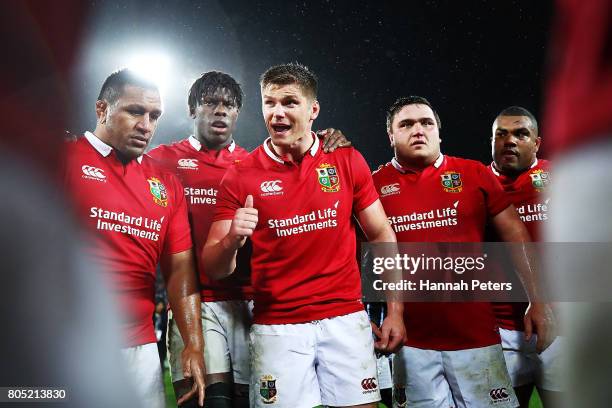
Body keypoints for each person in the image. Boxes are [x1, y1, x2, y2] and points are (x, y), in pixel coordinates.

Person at [203, 62, 406, 408]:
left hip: (344, 317)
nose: (277, 112)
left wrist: (396, 311)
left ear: (313, 110)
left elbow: (381, 233)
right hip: (278, 325)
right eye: (270, 103)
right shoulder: (240, 176)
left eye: (289, 102)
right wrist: (232, 240)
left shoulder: (345, 159)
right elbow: (214, 266)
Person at [149, 71, 352, 407]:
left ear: (238, 113)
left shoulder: (252, 164)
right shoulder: (161, 160)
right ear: (191, 108)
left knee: (253, 402)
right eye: (210, 103)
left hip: (251, 303)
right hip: (193, 303)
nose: (220, 111)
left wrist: (328, 140)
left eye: (228, 105)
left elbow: (306, 171)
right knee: (205, 401)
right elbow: (117, 163)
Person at [372, 96, 554, 408]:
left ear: (438, 133)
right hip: (410, 341)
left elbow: (515, 235)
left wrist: (537, 300)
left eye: (426, 123)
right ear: (391, 136)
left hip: (478, 337)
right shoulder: (373, 185)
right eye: (406, 124)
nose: (418, 130)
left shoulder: (473, 174)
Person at [63, 69, 206, 408]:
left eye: (154, 116)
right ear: (102, 110)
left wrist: (193, 344)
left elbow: (180, 268)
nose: (146, 125)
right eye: (135, 111)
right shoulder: (60, 158)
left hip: (140, 353)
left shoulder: (167, 185)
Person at [489, 106, 562, 407]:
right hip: (501, 329)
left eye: (521, 133)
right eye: (501, 134)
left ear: (537, 142)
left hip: (561, 326)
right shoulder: (475, 184)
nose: (510, 141)